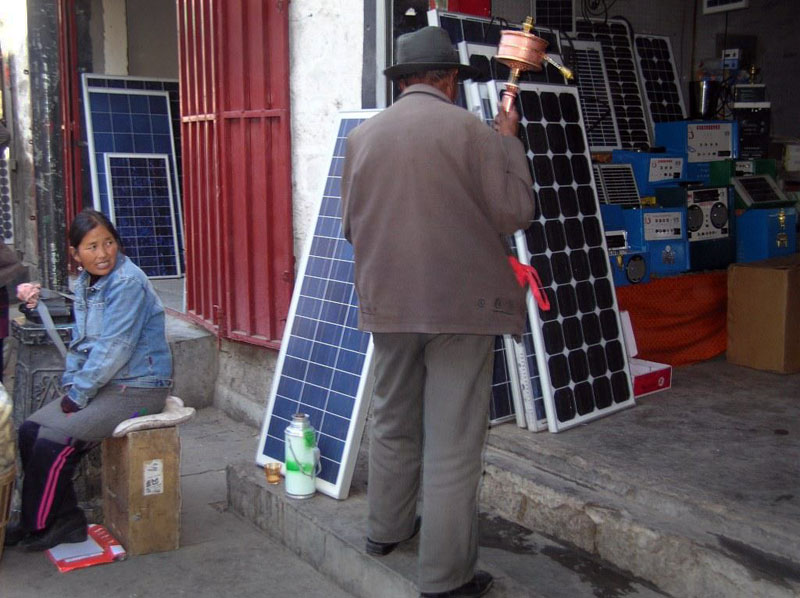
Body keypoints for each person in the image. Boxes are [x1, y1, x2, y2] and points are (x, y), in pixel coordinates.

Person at [341, 26, 534, 598]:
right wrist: (509, 145)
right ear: (449, 79)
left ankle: (386, 530)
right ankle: (446, 577)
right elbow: (515, 212)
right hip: (462, 309)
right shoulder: (473, 133)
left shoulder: (363, 137)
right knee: (452, 442)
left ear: (402, 80)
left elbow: (352, 227)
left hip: (388, 304)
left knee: (394, 417)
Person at [5, 209, 173, 551]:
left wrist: (79, 395)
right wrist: (73, 386)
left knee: (56, 439)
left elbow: (114, 348)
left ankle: (40, 525)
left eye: (109, 243)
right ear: (75, 253)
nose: (103, 253)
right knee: (29, 430)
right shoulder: (85, 283)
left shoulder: (127, 283)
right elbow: (82, 344)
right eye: (92, 246)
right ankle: (60, 518)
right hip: (107, 385)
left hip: (139, 387)